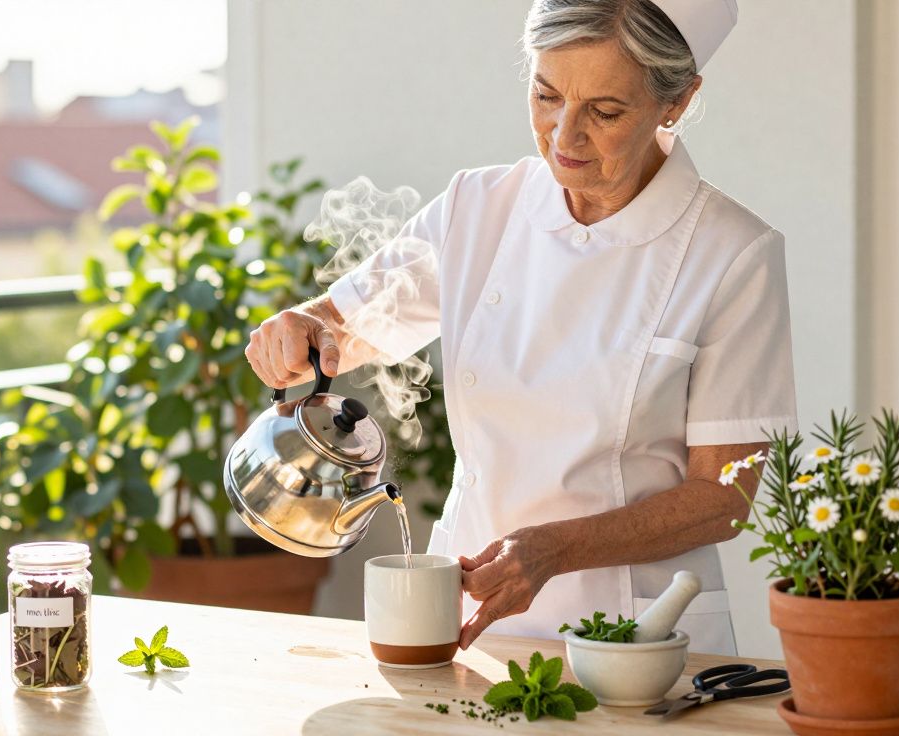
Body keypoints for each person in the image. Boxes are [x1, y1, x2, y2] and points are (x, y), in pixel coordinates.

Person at [245, 0, 795, 655]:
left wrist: (557, 548)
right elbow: (343, 325)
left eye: (606, 111)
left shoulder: (731, 252)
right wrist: (301, 328)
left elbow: (722, 498)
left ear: (675, 103)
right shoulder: (478, 208)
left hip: (637, 641)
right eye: (546, 94)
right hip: (465, 620)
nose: (565, 136)